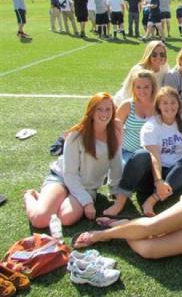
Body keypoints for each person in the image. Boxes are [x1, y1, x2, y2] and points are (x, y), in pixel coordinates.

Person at [24, 93, 122, 228]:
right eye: (99, 109)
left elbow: (116, 165)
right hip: (62, 178)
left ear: (113, 111)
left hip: (87, 186)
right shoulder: (76, 135)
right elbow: (70, 174)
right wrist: (87, 203)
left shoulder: (115, 131)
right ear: (91, 111)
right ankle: (30, 195)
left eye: (108, 109)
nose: (104, 113)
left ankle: (56, 201)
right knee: (40, 220)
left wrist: (115, 191)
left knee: (66, 218)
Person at [137, 86, 182, 216]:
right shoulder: (151, 126)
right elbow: (154, 157)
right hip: (153, 173)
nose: (169, 106)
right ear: (158, 106)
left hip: (174, 170)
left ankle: (152, 198)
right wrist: (158, 181)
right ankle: (154, 197)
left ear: (178, 103)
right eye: (165, 103)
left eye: (173, 102)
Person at [103, 71, 158, 216]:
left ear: (153, 87)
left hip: (152, 154)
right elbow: (114, 130)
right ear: (133, 88)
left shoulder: (159, 105)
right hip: (127, 152)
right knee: (125, 167)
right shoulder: (128, 105)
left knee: (145, 160)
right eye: (138, 87)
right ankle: (119, 197)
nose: (142, 91)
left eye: (146, 87)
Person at [114, 41, 170, 106]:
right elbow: (129, 94)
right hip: (124, 103)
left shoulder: (164, 66)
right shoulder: (139, 70)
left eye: (162, 54)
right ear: (148, 55)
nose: (158, 57)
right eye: (154, 54)